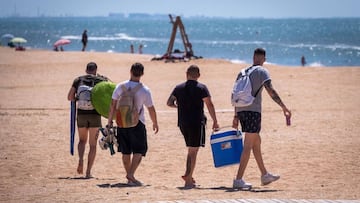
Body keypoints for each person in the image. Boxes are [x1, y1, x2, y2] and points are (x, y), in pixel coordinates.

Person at [232, 48, 291, 189]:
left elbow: (236, 95)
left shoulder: (242, 72)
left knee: (256, 142)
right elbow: (271, 91)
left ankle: (264, 175)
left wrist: (235, 116)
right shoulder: (262, 71)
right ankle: (238, 180)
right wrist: (283, 107)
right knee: (248, 145)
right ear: (264, 58)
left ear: (253, 57)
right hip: (253, 112)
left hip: (241, 111)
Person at [167, 65, 219, 189]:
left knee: (191, 150)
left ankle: (187, 174)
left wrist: (179, 107)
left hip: (183, 123)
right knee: (193, 151)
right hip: (196, 123)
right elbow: (209, 105)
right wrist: (215, 121)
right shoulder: (202, 88)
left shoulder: (178, 88)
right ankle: (188, 179)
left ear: (186, 74)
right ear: (199, 75)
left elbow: (169, 102)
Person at [107, 62, 159, 186]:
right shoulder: (145, 90)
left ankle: (130, 177)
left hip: (122, 123)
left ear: (130, 71)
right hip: (138, 123)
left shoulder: (120, 86)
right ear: (142, 74)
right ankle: (131, 174)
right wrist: (155, 122)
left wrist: (110, 121)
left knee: (125, 151)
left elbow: (113, 105)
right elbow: (151, 108)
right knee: (139, 151)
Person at [67, 62, 109, 178]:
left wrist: (78, 98)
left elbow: (69, 97)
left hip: (81, 114)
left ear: (86, 70)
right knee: (93, 145)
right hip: (95, 115)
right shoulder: (102, 80)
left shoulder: (78, 80)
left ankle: (80, 160)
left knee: (82, 141)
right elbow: (111, 92)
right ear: (96, 70)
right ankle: (88, 172)